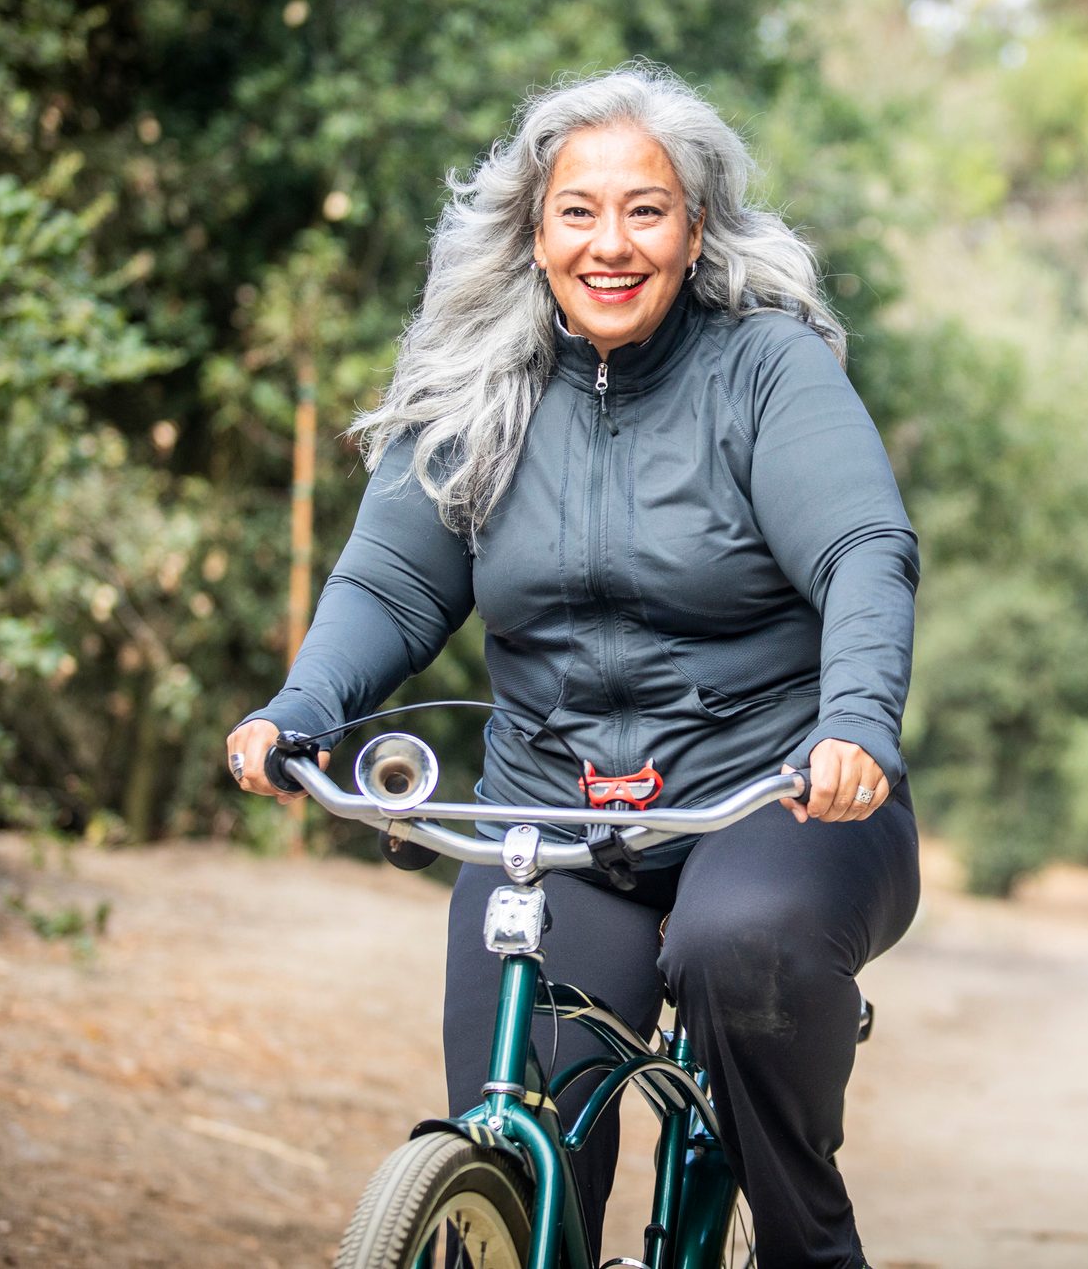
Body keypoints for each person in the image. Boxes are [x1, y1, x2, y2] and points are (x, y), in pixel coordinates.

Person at [225, 62, 918, 1269]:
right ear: (534, 232)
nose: (612, 242)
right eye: (579, 211)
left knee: (736, 944)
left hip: (778, 798)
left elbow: (865, 549)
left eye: (645, 209)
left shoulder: (767, 370)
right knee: (523, 1123)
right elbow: (392, 582)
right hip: (554, 818)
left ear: (695, 230)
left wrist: (855, 722)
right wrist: (301, 709)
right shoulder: (477, 387)